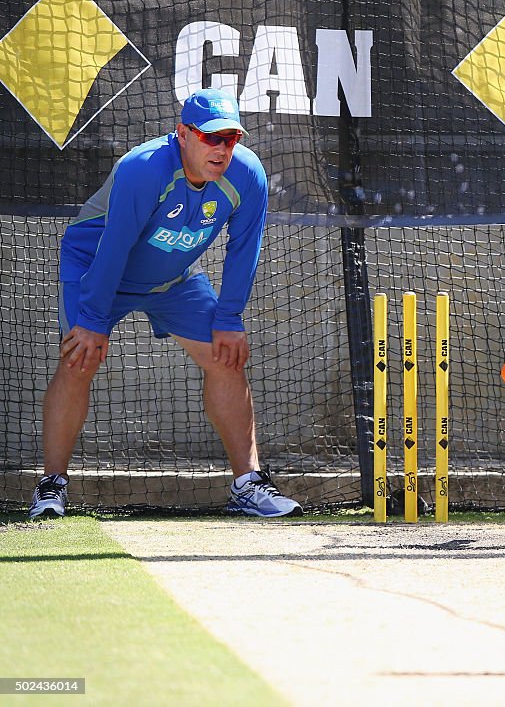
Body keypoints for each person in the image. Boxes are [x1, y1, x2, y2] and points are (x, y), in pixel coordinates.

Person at [29, 88, 302, 519]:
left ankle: (248, 484)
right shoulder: (144, 169)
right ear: (183, 135)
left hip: (172, 279)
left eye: (231, 139)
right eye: (212, 138)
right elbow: (113, 248)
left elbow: (244, 249)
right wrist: (94, 319)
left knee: (226, 357)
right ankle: (50, 487)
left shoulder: (248, 175)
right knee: (80, 359)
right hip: (97, 269)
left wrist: (229, 317)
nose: (222, 149)